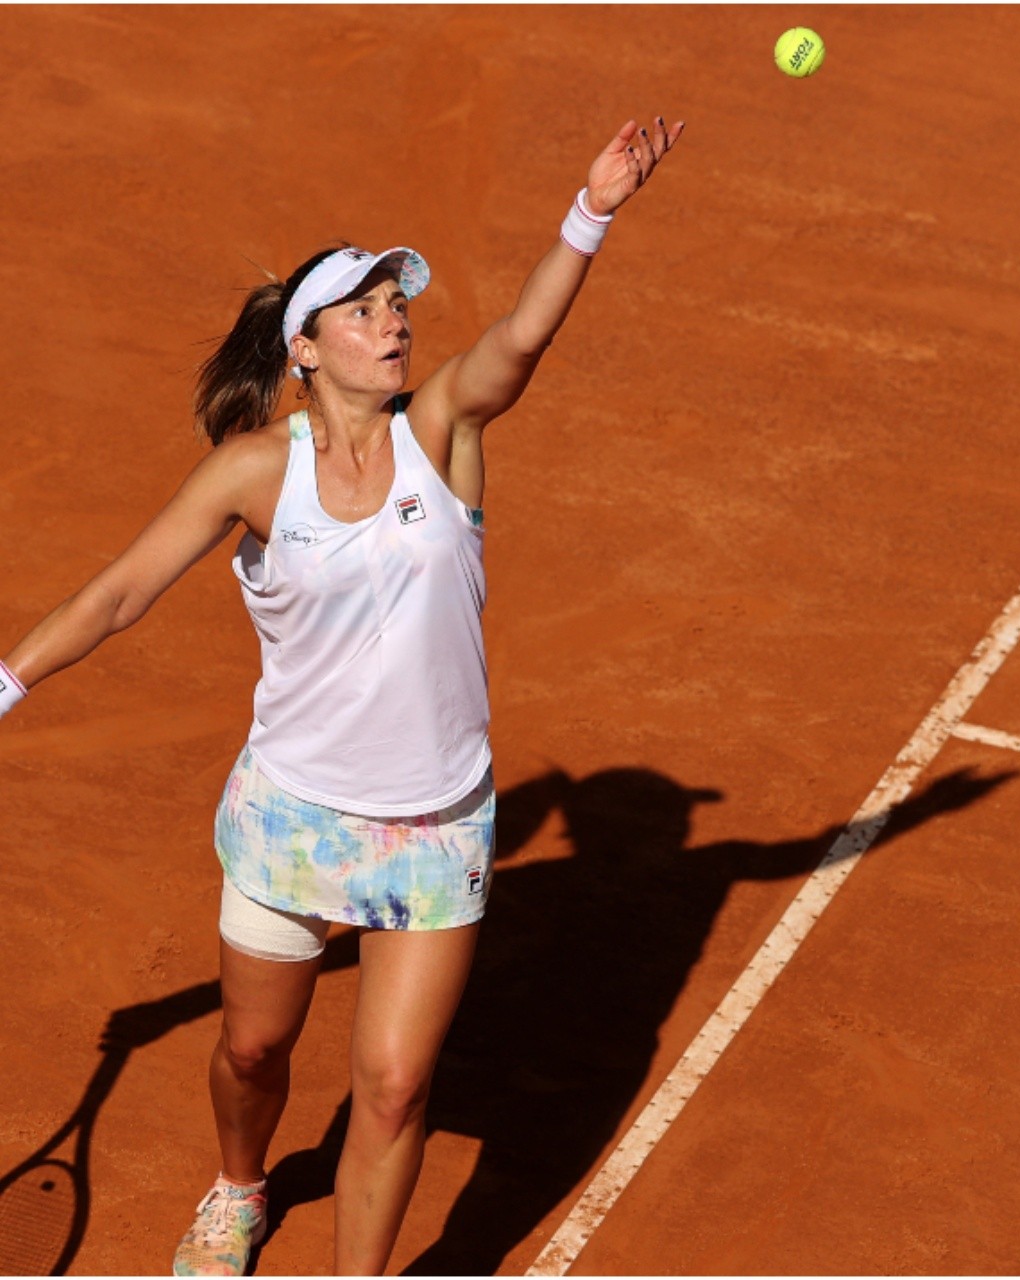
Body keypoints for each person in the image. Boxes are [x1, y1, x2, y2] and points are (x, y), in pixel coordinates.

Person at [0, 114, 683, 1276]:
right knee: (256, 1051)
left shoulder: (445, 427)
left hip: (430, 826)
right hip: (292, 815)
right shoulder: (256, 471)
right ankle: (239, 1184)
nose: (393, 322)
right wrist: (2, 683)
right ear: (305, 351)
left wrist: (592, 209)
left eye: (396, 304)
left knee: (397, 1081)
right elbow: (119, 593)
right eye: (361, 310)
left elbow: (518, 338)